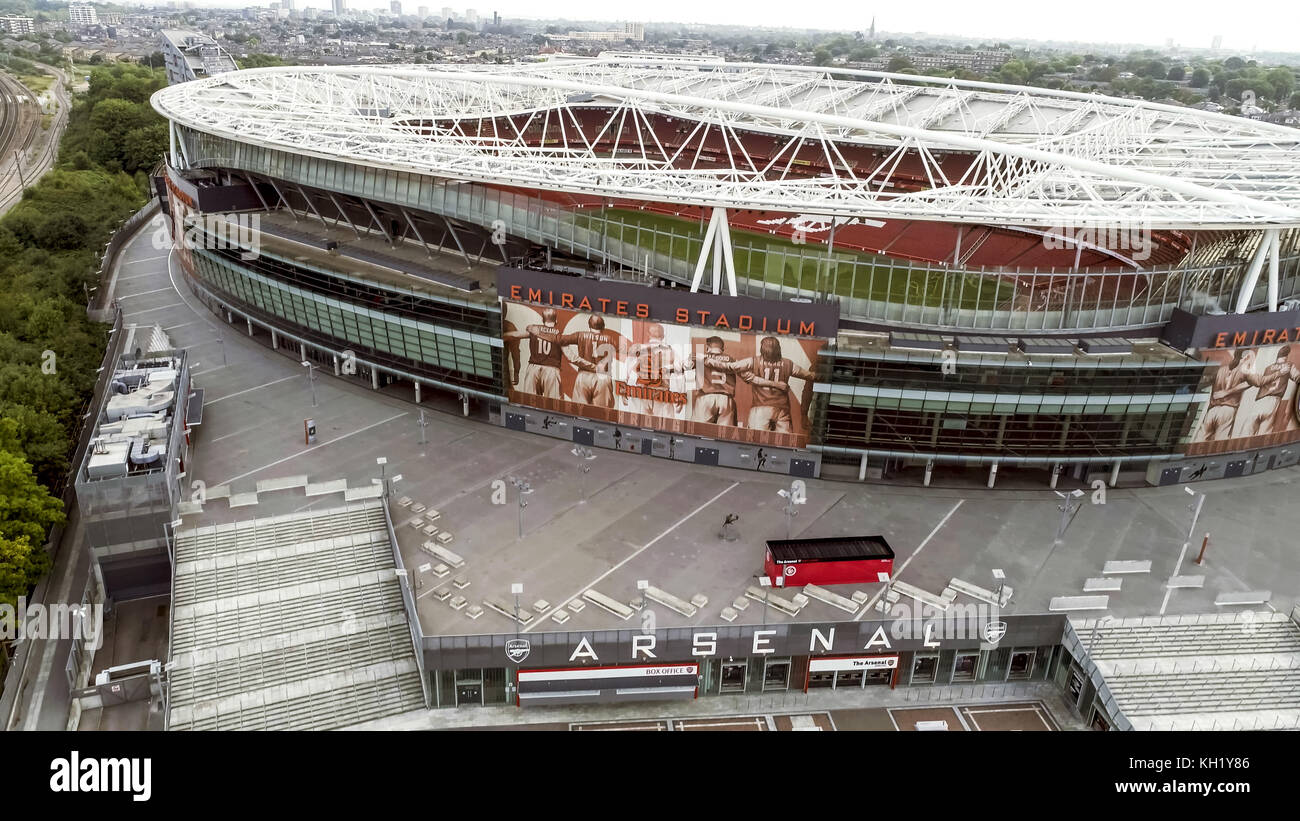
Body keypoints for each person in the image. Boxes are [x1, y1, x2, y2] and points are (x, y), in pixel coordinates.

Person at [709, 336, 817, 433]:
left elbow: (730, 367)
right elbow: (809, 376)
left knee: (756, 442)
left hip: (760, 408)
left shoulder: (753, 361)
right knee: (785, 444)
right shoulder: (788, 364)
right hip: (782, 410)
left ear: (762, 348)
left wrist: (708, 360)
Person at [1194, 349, 1258, 442]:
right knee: (1219, 442)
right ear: (1245, 357)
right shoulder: (1244, 371)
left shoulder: (1222, 369)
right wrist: (1228, 392)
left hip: (1212, 410)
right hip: (1228, 409)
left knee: (1199, 440)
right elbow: (1253, 382)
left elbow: (1205, 381)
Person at [1239, 345, 1300, 437]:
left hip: (1259, 401)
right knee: (1264, 432)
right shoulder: (1288, 365)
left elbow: (1259, 381)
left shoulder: (1268, 368)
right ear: (1286, 356)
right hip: (1273, 400)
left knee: (1247, 430)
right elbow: (1298, 377)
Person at [624, 323, 682, 418]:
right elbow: (679, 375)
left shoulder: (638, 349)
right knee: (664, 429)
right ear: (663, 336)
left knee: (638, 426)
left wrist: (624, 390)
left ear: (648, 334)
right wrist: (679, 396)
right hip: (663, 395)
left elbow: (627, 372)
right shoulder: (672, 351)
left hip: (641, 393)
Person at [503, 308, 563, 399]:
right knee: (553, 404)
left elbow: (514, 335)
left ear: (543, 320)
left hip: (533, 369)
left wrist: (499, 336)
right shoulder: (559, 335)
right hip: (551, 370)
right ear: (556, 321)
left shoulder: (534, 330)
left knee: (529, 401)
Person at [559, 315, 617, 408]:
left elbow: (561, 340)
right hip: (603, 377)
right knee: (603, 415)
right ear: (603, 327)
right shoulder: (610, 339)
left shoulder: (580, 335)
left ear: (589, 326)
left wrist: (572, 357)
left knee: (579, 413)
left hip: (584, 376)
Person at [684, 336, 743, 426]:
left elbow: (684, 367)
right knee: (725, 436)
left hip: (705, 397)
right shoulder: (732, 359)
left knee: (698, 432)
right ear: (722, 349)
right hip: (726, 399)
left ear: (707, 347)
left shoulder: (699, 357)